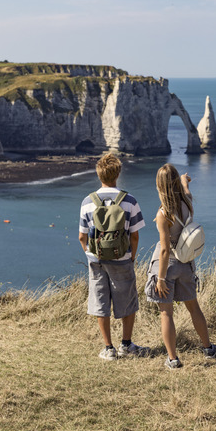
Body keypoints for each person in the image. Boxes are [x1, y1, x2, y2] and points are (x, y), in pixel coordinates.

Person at [145, 163, 216, 369]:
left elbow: (164, 250)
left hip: (167, 266)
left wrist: (160, 279)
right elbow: (186, 190)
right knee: (194, 307)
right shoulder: (187, 202)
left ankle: (173, 358)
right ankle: (208, 348)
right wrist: (184, 182)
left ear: (159, 186)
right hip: (186, 263)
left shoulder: (163, 214)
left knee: (166, 313)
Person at [78, 153, 149, 361]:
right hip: (123, 258)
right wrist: (132, 256)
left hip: (96, 260)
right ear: (118, 173)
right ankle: (126, 344)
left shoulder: (87, 202)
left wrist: (90, 253)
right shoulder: (129, 200)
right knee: (127, 300)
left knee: (100, 302)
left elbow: (82, 236)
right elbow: (134, 235)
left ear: (98, 174)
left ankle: (108, 348)